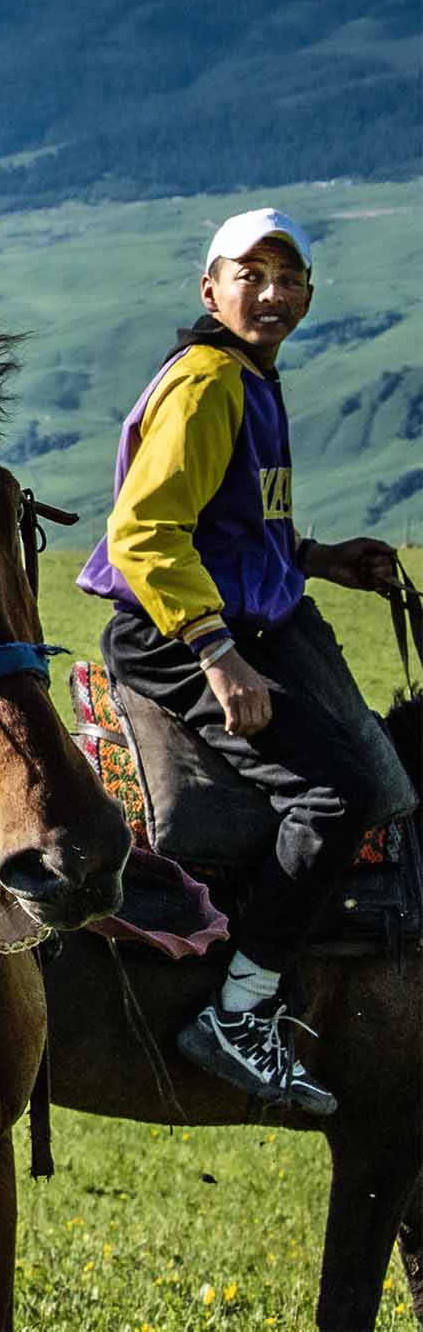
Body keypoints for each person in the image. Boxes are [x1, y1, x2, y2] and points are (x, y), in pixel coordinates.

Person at [77, 209, 409, 1114]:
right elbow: (143, 535)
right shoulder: (210, 382)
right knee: (335, 794)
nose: (271, 293)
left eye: (288, 277)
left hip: (233, 619)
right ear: (209, 289)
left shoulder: (254, 381)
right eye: (249, 274)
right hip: (179, 635)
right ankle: (241, 1004)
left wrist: (323, 558)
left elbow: (235, 528)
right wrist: (219, 657)